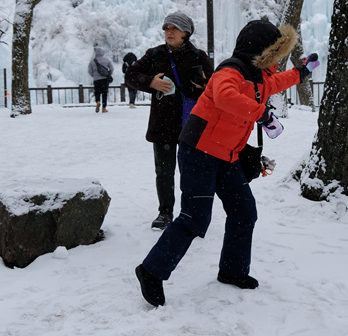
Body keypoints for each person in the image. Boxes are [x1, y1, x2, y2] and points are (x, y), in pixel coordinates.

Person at [134, 19, 321, 307]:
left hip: (226, 155)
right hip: (198, 152)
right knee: (195, 218)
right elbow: (224, 97)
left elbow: (277, 82)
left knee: (244, 211)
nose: (277, 61)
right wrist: (263, 115)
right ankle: (151, 271)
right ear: (261, 50)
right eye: (276, 54)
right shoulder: (230, 71)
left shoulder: (259, 78)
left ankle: (233, 270)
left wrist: (302, 72)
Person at [125, 12, 214, 230]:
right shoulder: (155, 55)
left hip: (190, 123)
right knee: (164, 171)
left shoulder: (199, 57)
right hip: (163, 123)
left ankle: (189, 211)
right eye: (166, 28)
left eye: (174, 28)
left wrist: (205, 86)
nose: (169, 32)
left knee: (189, 171)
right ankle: (165, 212)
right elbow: (130, 75)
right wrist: (150, 82)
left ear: (186, 32)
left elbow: (214, 88)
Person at [87, 47, 114, 113]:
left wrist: (94, 76)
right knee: (104, 93)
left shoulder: (92, 61)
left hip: (96, 80)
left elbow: (89, 71)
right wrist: (108, 74)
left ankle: (98, 101)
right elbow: (112, 68)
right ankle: (104, 108)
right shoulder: (107, 60)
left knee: (97, 92)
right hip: (104, 80)